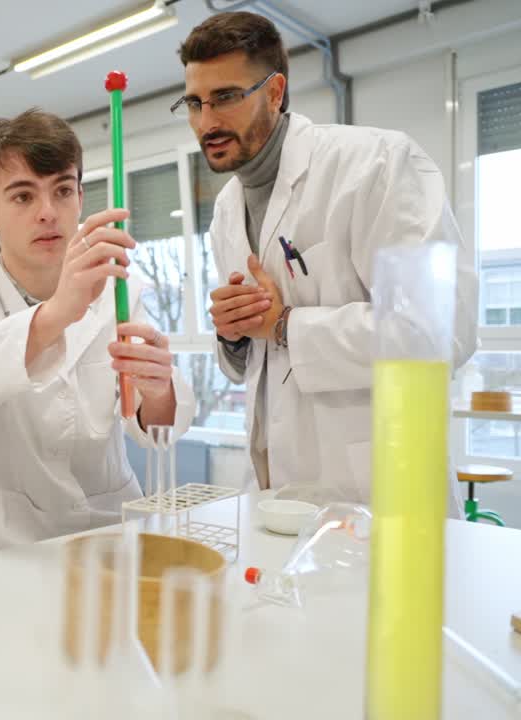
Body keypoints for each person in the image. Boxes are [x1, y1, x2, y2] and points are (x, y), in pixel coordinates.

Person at [179, 13, 477, 507]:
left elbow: (441, 331)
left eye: (226, 97)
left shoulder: (376, 164)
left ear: (275, 92)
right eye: (194, 103)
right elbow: (257, 363)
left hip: (378, 494)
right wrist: (233, 334)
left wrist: (286, 325)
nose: (206, 122)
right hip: (277, 496)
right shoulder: (227, 212)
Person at [0, 110, 196, 557]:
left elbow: (152, 425)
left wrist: (158, 390)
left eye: (62, 190)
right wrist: (57, 314)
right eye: (23, 197)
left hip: (106, 539)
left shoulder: (119, 290)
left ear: (80, 197)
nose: (48, 213)